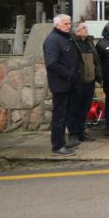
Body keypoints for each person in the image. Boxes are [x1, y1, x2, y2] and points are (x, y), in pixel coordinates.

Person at [43, 15, 80, 155]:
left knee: (66, 115)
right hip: (60, 84)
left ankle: (63, 143)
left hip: (70, 83)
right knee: (59, 116)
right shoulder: (52, 40)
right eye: (66, 23)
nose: (69, 25)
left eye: (70, 23)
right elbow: (52, 63)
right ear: (57, 25)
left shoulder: (66, 37)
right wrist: (69, 74)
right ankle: (57, 146)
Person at [70, 21, 102, 144]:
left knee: (85, 108)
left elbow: (96, 60)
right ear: (77, 31)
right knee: (74, 109)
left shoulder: (89, 42)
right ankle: (73, 134)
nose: (86, 29)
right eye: (83, 27)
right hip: (78, 82)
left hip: (90, 82)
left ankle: (81, 132)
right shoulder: (72, 43)